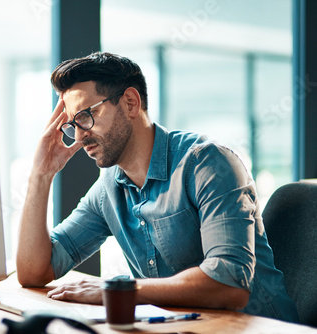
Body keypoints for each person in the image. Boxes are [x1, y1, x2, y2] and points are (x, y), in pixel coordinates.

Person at [16, 52, 299, 322]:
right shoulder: (109, 189)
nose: (78, 136)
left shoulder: (207, 164)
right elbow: (35, 271)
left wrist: (117, 292)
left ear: (130, 102)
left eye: (86, 117)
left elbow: (229, 283)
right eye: (73, 124)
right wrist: (41, 175)